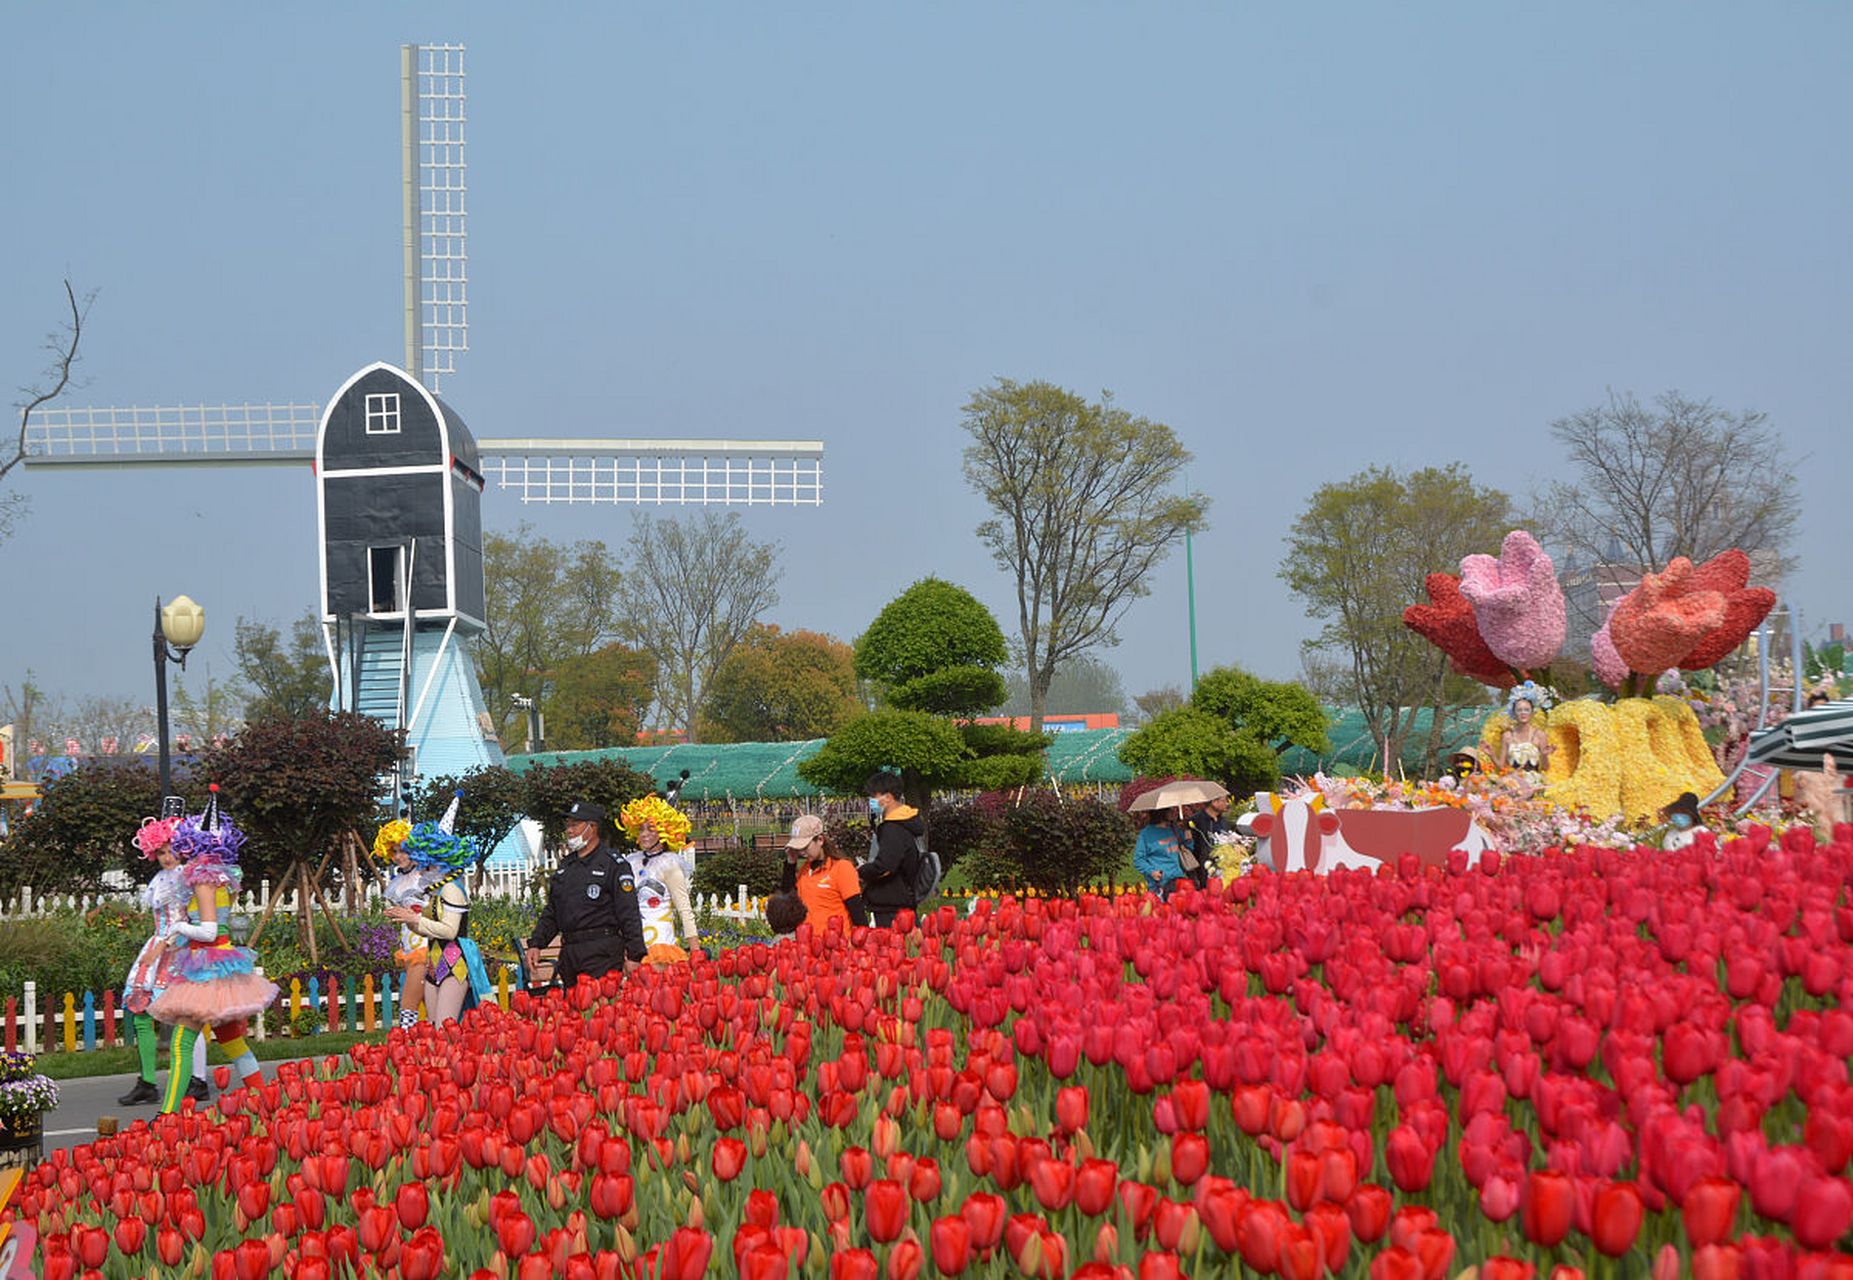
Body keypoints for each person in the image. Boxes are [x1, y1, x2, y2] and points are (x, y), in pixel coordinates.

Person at [149, 790, 279, 1113]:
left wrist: (176, 929)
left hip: (207, 967)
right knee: (233, 1042)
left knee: (181, 1043)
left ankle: (167, 1117)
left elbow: (208, 930)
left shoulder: (204, 881)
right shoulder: (221, 878)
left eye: (183, 845)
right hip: (218, 963)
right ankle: (266, 1106)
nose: (179, 850)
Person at [117, 816, 208, 1107]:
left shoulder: (187, 877)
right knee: (140, 1011)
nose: (166, 858)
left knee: (188, 1017)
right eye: (161, 852)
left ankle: (198, 1079)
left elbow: (188, 919)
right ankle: (147, 1082)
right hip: (157, 945)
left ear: (182, 849)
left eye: (171, 851)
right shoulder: (159, 879)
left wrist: (164, 947)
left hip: (179, 949)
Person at [525, 801, 649, 989]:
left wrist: (634, 955)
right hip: (570, 953)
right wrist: (537, 943)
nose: (569, 830)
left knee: (599, 1012)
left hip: (602, 951)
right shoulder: (566, 866)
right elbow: (553, 911)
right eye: (568, 825)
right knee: (572, 1013)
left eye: (575, 825)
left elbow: (628, 912)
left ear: (592, 827)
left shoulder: (613, 864)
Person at [384, 798, 481, 1027]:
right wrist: (408, 921)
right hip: (434, 962)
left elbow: (449, 931)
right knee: (435, 1030)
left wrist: (415, 919)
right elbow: (426, 928)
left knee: (445, 1029)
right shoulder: (436, 891)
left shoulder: (451, 890)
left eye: (427, 864)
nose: (423, 870)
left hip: (455, 964)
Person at [619, 796, 702, 964]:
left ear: (665, 831)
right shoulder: (631, 862)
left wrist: (696, 953)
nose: (644, 835)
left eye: (651, 829)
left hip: (660, 946)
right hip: (633, 945)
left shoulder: (670, 865)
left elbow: (685, 910)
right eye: (641, 829)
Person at [372, 817, 431, 1029]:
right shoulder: (398, 882)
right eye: (394, 852)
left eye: (403, 850)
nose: (398, 856)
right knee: (431, 1005)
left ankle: (405, 1042)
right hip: (408, 946)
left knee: (408, 1003)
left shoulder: (427, 876)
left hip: (425, 946)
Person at [779, 814, 869, 934]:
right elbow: (788, 897)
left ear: (820, 840)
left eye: (805, 847)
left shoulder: (841, 868)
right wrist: (791, 863)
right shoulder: (805, 870)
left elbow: (857, 911)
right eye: (798, 848)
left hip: (838, 946)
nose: (801, 852)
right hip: (808, 945)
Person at [860, 772, 926, 928]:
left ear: (888, 797)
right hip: (902, 898)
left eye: (874, 797)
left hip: (892, 903)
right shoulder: (907, 822)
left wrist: (862, 871)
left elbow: (886, 866)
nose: (871, 801)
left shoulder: (893, 828)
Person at [1133, 808, 1191, 900]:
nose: (1173, 812)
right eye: (1170, 810)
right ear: (1160, 812)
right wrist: (1151, 872)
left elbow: (1189, 848)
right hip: (1160, 885)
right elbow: (1138, 860)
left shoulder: (1174, 829)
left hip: (1178, 880)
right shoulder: (1146, 834)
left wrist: (1188, 839)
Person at [1498, 684, 1554, 773]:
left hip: (1534, 783)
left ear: (1532, 712)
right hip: (1513, 782)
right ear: (1514, 713)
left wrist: (1544, 755)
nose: (1523, 713)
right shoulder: (1507, 736)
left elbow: (1545, 767)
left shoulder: (1539, 735)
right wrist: (1491, 754)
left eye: (1526, 710)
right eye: (1519, 710)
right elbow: (1501, 766)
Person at [1184, 794, 1233, 890]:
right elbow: (1191, 846)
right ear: (1214, 802)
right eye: (1224, 801)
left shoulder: (1224, 821)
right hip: (1203, 868)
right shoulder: (1195, 821)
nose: (1227, 804)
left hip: (1223, 865)